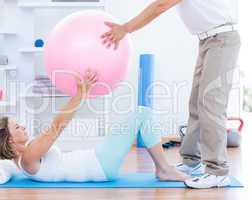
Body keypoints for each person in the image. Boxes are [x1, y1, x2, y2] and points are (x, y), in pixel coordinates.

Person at [101, 0, 240, 189]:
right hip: (208, 40)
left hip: (222, 39)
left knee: (211, 105)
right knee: (196, 105)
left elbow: (160, 6)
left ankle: (218, 172)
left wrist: (125, 28)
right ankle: (192, 162)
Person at [0, 70, 188, 183]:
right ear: (11, 139)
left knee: (139, 116)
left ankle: (164, 168)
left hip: (97, 160)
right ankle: (164, 169)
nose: (22, 126)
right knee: (142, 112)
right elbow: (58, 125)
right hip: (99, 164)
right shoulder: (28, 156)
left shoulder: (20, 160)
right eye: (16, 127)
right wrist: (81, 93)